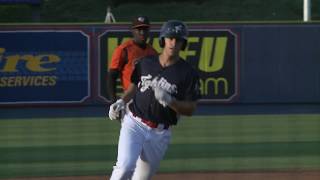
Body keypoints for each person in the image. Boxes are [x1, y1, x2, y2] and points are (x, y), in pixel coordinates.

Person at [108, 20, 201, 180]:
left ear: (183, 43)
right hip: (134, 123)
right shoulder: (146, 63)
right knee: (124, 167)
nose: (173, 42)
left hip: (160, 132)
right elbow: (134, 86)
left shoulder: (188, 73)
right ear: (163, 39)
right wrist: (121, 101)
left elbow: (191, 109)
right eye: (170, 38)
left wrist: (171, 101)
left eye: (178, 39)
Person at [107, 15, 158, 103]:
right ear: (132, 30)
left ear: (149, 31)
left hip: (148, 98)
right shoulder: (123, 49)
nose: (142, 32)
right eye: (139, 29)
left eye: (145, 29)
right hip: (130, 98)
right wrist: (113, 101)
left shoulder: (153, 52)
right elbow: (111, 76)